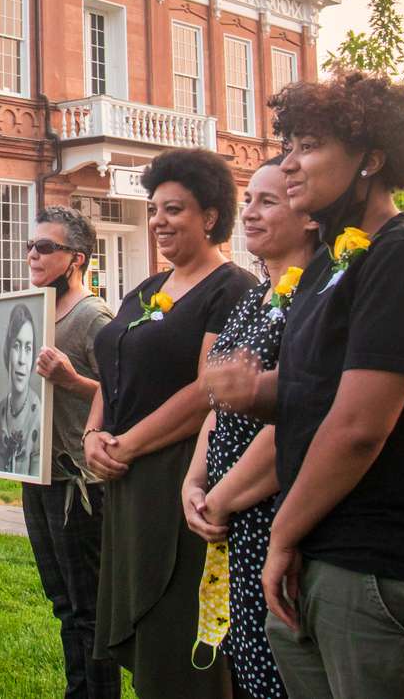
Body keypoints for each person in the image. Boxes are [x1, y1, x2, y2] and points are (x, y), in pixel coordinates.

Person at [204, 71, 404, 698]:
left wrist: (281, 536)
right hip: (317, 553)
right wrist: (255, 392)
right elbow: (315, 394)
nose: (290, 164)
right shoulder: (333, 264)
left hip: (371, 568)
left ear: (371, 159)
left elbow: (359, 428)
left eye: (309, 146)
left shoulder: (399, 254)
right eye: (288, 146)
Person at [84, 149, 256, 698]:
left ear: (210, 216)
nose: (159, 221)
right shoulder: (150, 286)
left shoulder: (231, 288)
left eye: (174, 209)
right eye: (154, 209)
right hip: (126, 474)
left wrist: (127, 444)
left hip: (177, 473)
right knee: (145, 635)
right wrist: (93, 435)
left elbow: (210, 388)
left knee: (175, 630)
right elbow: (110, 363)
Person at [181, 157, 316, 699]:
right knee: (246, 669)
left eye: (269, 201)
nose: (250, 213)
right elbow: (217, 403)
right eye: (250, 200)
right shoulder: (250, 301)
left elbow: (297, 418)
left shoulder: (313, 300)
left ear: (308, 216)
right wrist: (194, 485)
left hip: (274, 512)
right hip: (229, 514)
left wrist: (222, 499)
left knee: (282, 670)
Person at [0, 207, 121, 698]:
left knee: (87, 609)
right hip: (36, 474)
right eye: (30, 246)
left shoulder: (92, 316)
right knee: (63, 603)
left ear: (75, 258)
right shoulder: (36, 308)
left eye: (45, 248)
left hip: (78, 484)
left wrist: (71, 380)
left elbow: (123, 394)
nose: (32, 254)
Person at [0, 302, 41, 476]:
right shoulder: (1, 411)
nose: (22, 359)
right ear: (8, 352)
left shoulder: (38, 417)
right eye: (16, 346)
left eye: (28, 348)